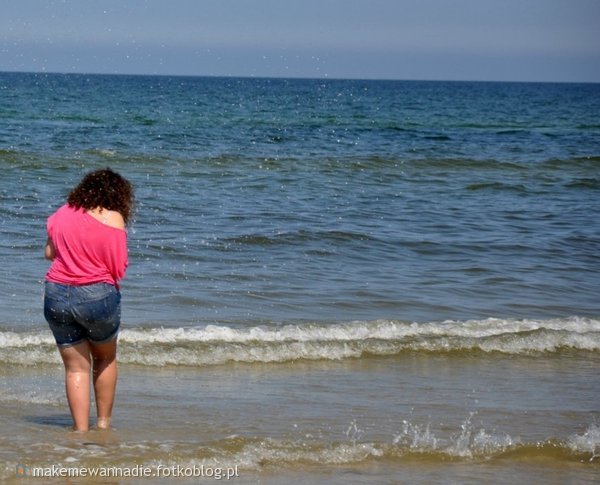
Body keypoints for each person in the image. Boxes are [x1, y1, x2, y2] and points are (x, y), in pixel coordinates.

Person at [43, 168, 134, 432]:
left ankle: (79, 430)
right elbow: (119, 266)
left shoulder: (60, 214)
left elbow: (49, 252)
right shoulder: (113, 217)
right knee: (105, 358)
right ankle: (103, 424)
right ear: (117, 195)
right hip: (97, 293)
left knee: (75, 368)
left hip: (56, 292)